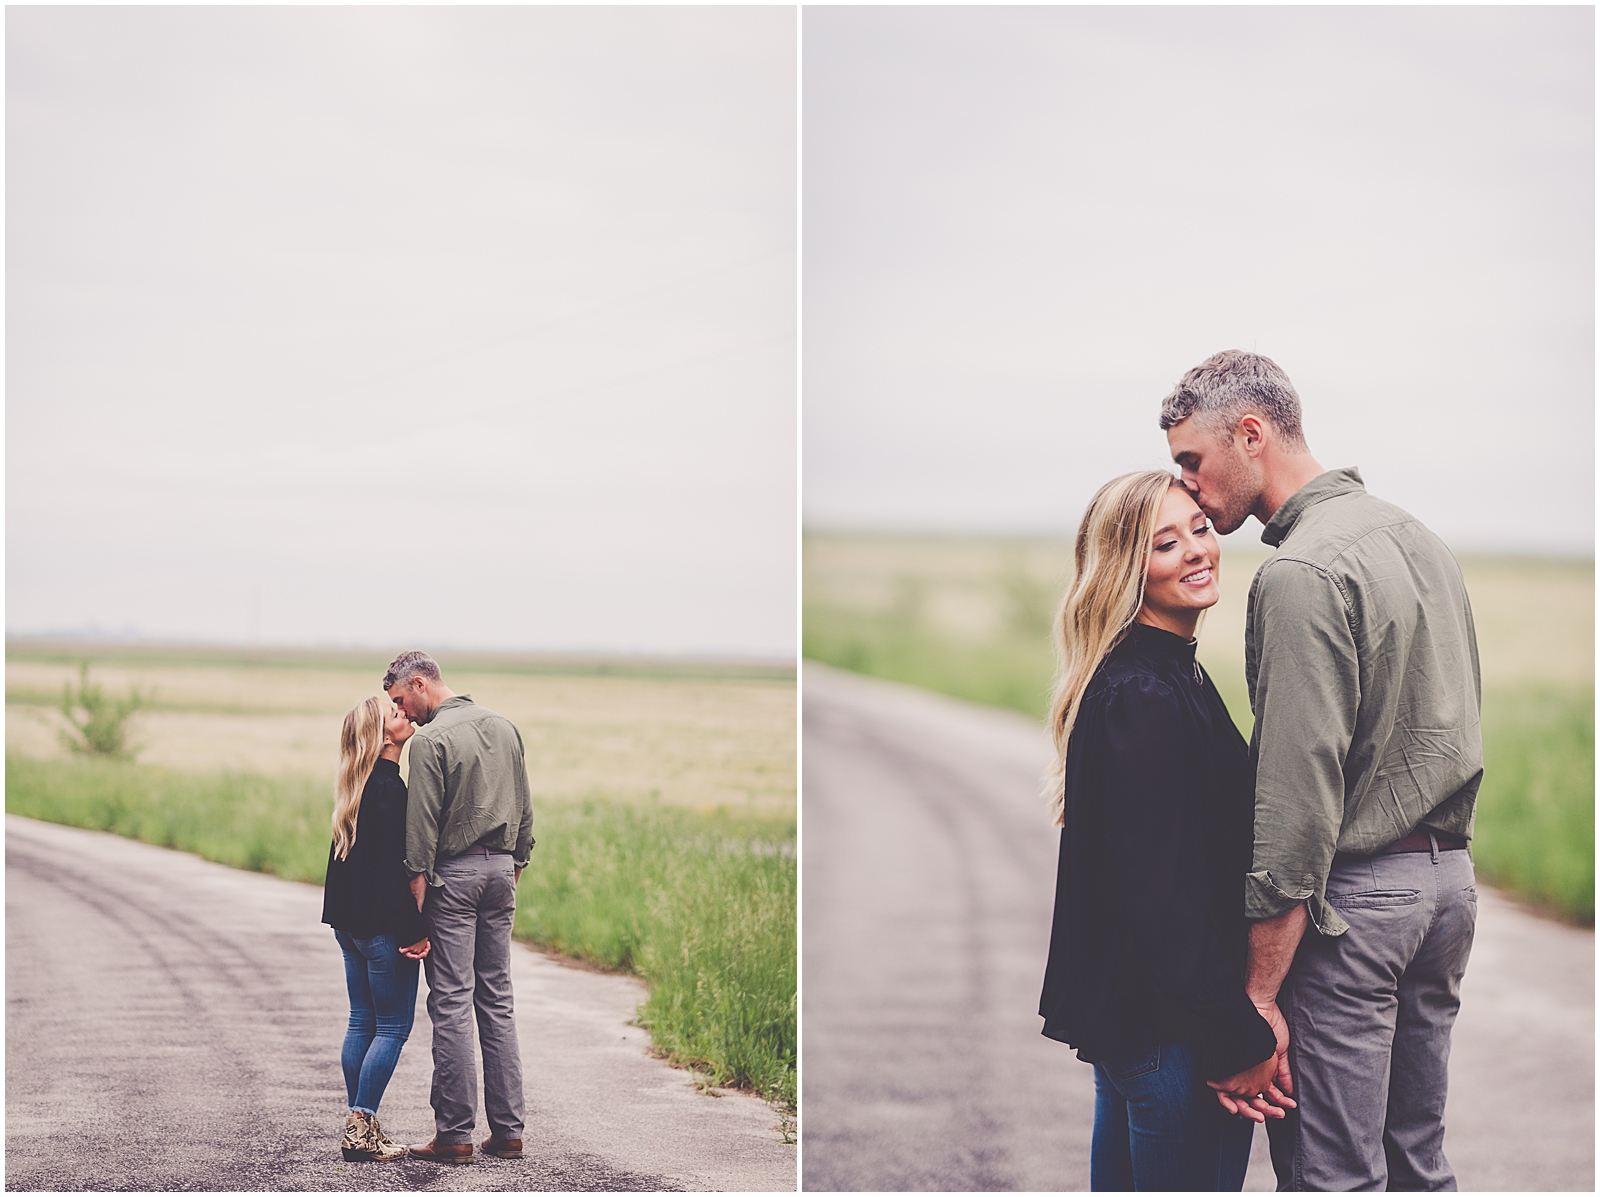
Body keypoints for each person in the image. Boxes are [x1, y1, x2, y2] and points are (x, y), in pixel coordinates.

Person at [1161, 350, 1481, 1191]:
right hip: (1449, 889)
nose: (1188, 486)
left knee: (1330, 1177)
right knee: (1420, 1164)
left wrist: (1260, 995)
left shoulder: (1299, 571)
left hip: (1359, 907)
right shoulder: (1419, 537)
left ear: (1252, 433)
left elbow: (1299, 801)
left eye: (1192, 460)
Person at [1038, 469, 1291, 1192]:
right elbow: (1161, 898)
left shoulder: (1166, 673)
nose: (1196, 551)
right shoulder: (1144, 692)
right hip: (1173, 1033)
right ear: (1126, 568)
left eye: (1201, 529)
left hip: (1154, 1027)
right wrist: (1236, 1034)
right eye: (1164, 543)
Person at [384, 650, 535, 1164]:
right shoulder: (504, 726)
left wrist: (418, 903)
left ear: (421, 684)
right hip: (501, 873)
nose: (403, 712)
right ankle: (509, 1131)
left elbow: (420, 833)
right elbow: (525, 805)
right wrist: (515, 863)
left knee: (450, 1002)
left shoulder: (430, 741)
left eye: (402, 700)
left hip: (454, 877)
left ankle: (454, 1136)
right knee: (497, 999)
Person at [321, 695, 431, 1163]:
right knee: (392, 1027)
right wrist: (413, 929)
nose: (404, 714)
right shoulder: (389, 789)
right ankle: (360, 1128)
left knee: (362, 1021)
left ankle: (360, 1126)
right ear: (383, 736)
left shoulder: (357, 786)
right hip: (384, 929)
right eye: (395, 714)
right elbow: (393, 870)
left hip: (350, 927)